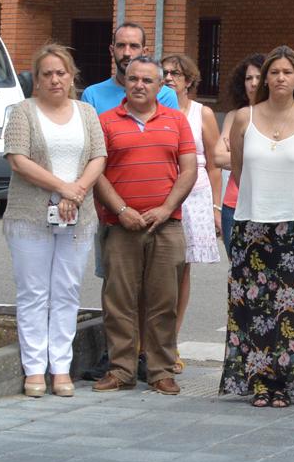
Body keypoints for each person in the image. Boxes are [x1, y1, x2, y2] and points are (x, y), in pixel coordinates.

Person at [220, 46, 294, 407]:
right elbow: (239, 171)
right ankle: (260, 381)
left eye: (287, 72)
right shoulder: (244, 118)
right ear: (265, 78)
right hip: (252, 223)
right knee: (255, 306)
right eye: (274, 72)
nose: (280, 78)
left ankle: (287, 382)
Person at [3, 44, 106, 398]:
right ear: (36, 79)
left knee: (66, 290)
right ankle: (34, 368)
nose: (54, 79)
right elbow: (18, 159)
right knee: (33, 291)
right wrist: (63, 188)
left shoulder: (86, 112)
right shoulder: (22, 112)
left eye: (61, 73)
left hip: (77, 214)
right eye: (46, 74)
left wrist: (76, 192)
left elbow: (99, 156)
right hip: (31, 215)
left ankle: (61, 367)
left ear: (72, 76)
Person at [92, 56, 196, 395]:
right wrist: (121, 210)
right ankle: (120, 370)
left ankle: (161, 370)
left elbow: (189, 170)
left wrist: (166, 209)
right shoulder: (105, 122)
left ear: (159, 86)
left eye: (147, 80)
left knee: (163, 301)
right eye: (133, 79)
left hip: (166, 225)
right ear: (125, 82)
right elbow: (96, 173)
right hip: (120, 224)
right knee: (119, 301)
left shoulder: (176, 120)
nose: (139, 85)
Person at [161, 54, 222, 345]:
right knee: (159, 266)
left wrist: (215, 207)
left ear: (189, 81)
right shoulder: (156, 110)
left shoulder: (202, 113)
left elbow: (214, 163)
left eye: (176, 73)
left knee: (182, 268)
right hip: (162, 190)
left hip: (195, 194)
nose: (168, 78)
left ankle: (172, 338)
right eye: (165, 72)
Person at [80, 23, 179, 115]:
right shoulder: (92, 95)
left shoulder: (165, 95)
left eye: (134, 46)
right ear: (112, 50)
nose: (126, 53)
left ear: (144, 52)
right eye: (121, 46)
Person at [217, 54, 264, 244]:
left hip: (268, 205)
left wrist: (236, 152)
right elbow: (217, 157)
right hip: (233, 204)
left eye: (259, 77)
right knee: (235, 262)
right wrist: (256, 156)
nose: (253, 83)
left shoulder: (278, 117)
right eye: (248, 78)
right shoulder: (234, 116)